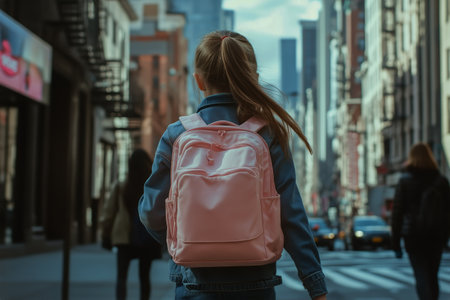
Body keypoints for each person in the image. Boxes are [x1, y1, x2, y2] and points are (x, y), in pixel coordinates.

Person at [138, 30, 327, 300]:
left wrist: (184, 239)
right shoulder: (268, 134)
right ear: (253, 78)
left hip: (194, 283)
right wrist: (315, 285)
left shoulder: (176, 134)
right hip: (256, 284)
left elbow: (150, 212)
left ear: (199, 81)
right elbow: (292, 216)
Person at [391, 142, 450, 300]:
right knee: (433, 275)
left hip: (413, 235)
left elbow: (397, 213)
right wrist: (445, 237)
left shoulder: (405, 181)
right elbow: (447, 212)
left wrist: (396, 242)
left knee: (421, 275)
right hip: (436, 236)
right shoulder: (441, 181)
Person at [101, 149, 162, 300]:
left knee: (121, 277)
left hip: (124, 237)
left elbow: (108, 214)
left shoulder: (121, 186)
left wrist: (105, 235)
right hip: (146, 237)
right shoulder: (151, 187)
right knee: (145, 277)